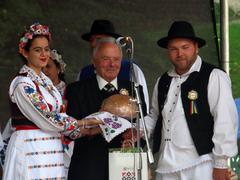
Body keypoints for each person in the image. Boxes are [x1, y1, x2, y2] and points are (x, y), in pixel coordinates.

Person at [3, 22, 102, 180]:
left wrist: (89, 129)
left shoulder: (48, 84)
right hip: (31, 149)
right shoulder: (22, 83)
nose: (43, 54)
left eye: (46, 49)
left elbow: (60, 117)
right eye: (37, 49)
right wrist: (82, 122)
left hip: (52, 151)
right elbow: (47, 117)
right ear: (25, 52)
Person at [144, 21, 238, 180]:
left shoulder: (214, 76)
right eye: (174, 49)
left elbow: (225, 120)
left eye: (185, 47)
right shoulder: (163, 80)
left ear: (196, 47)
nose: (179, 53)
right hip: (166, 166)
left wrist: (221, 164)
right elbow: (154, 116)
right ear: (168, 51)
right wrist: (136, 130)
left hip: (201, 164)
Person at [66, 37, 147, 180]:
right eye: (106, 59)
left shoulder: (134, 90)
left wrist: (135, 134)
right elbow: (70, 131)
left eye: (116, 59)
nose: (112, 64)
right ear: (93, 61)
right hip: (88, 169)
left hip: (125, 168)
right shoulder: (76, 90)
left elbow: (144, 131)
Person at [77, 19, 150, 112]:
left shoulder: (131, 69)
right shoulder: (84, 72)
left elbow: (142, 110)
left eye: (99, 39)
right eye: (91, 40)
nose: (93, 44)